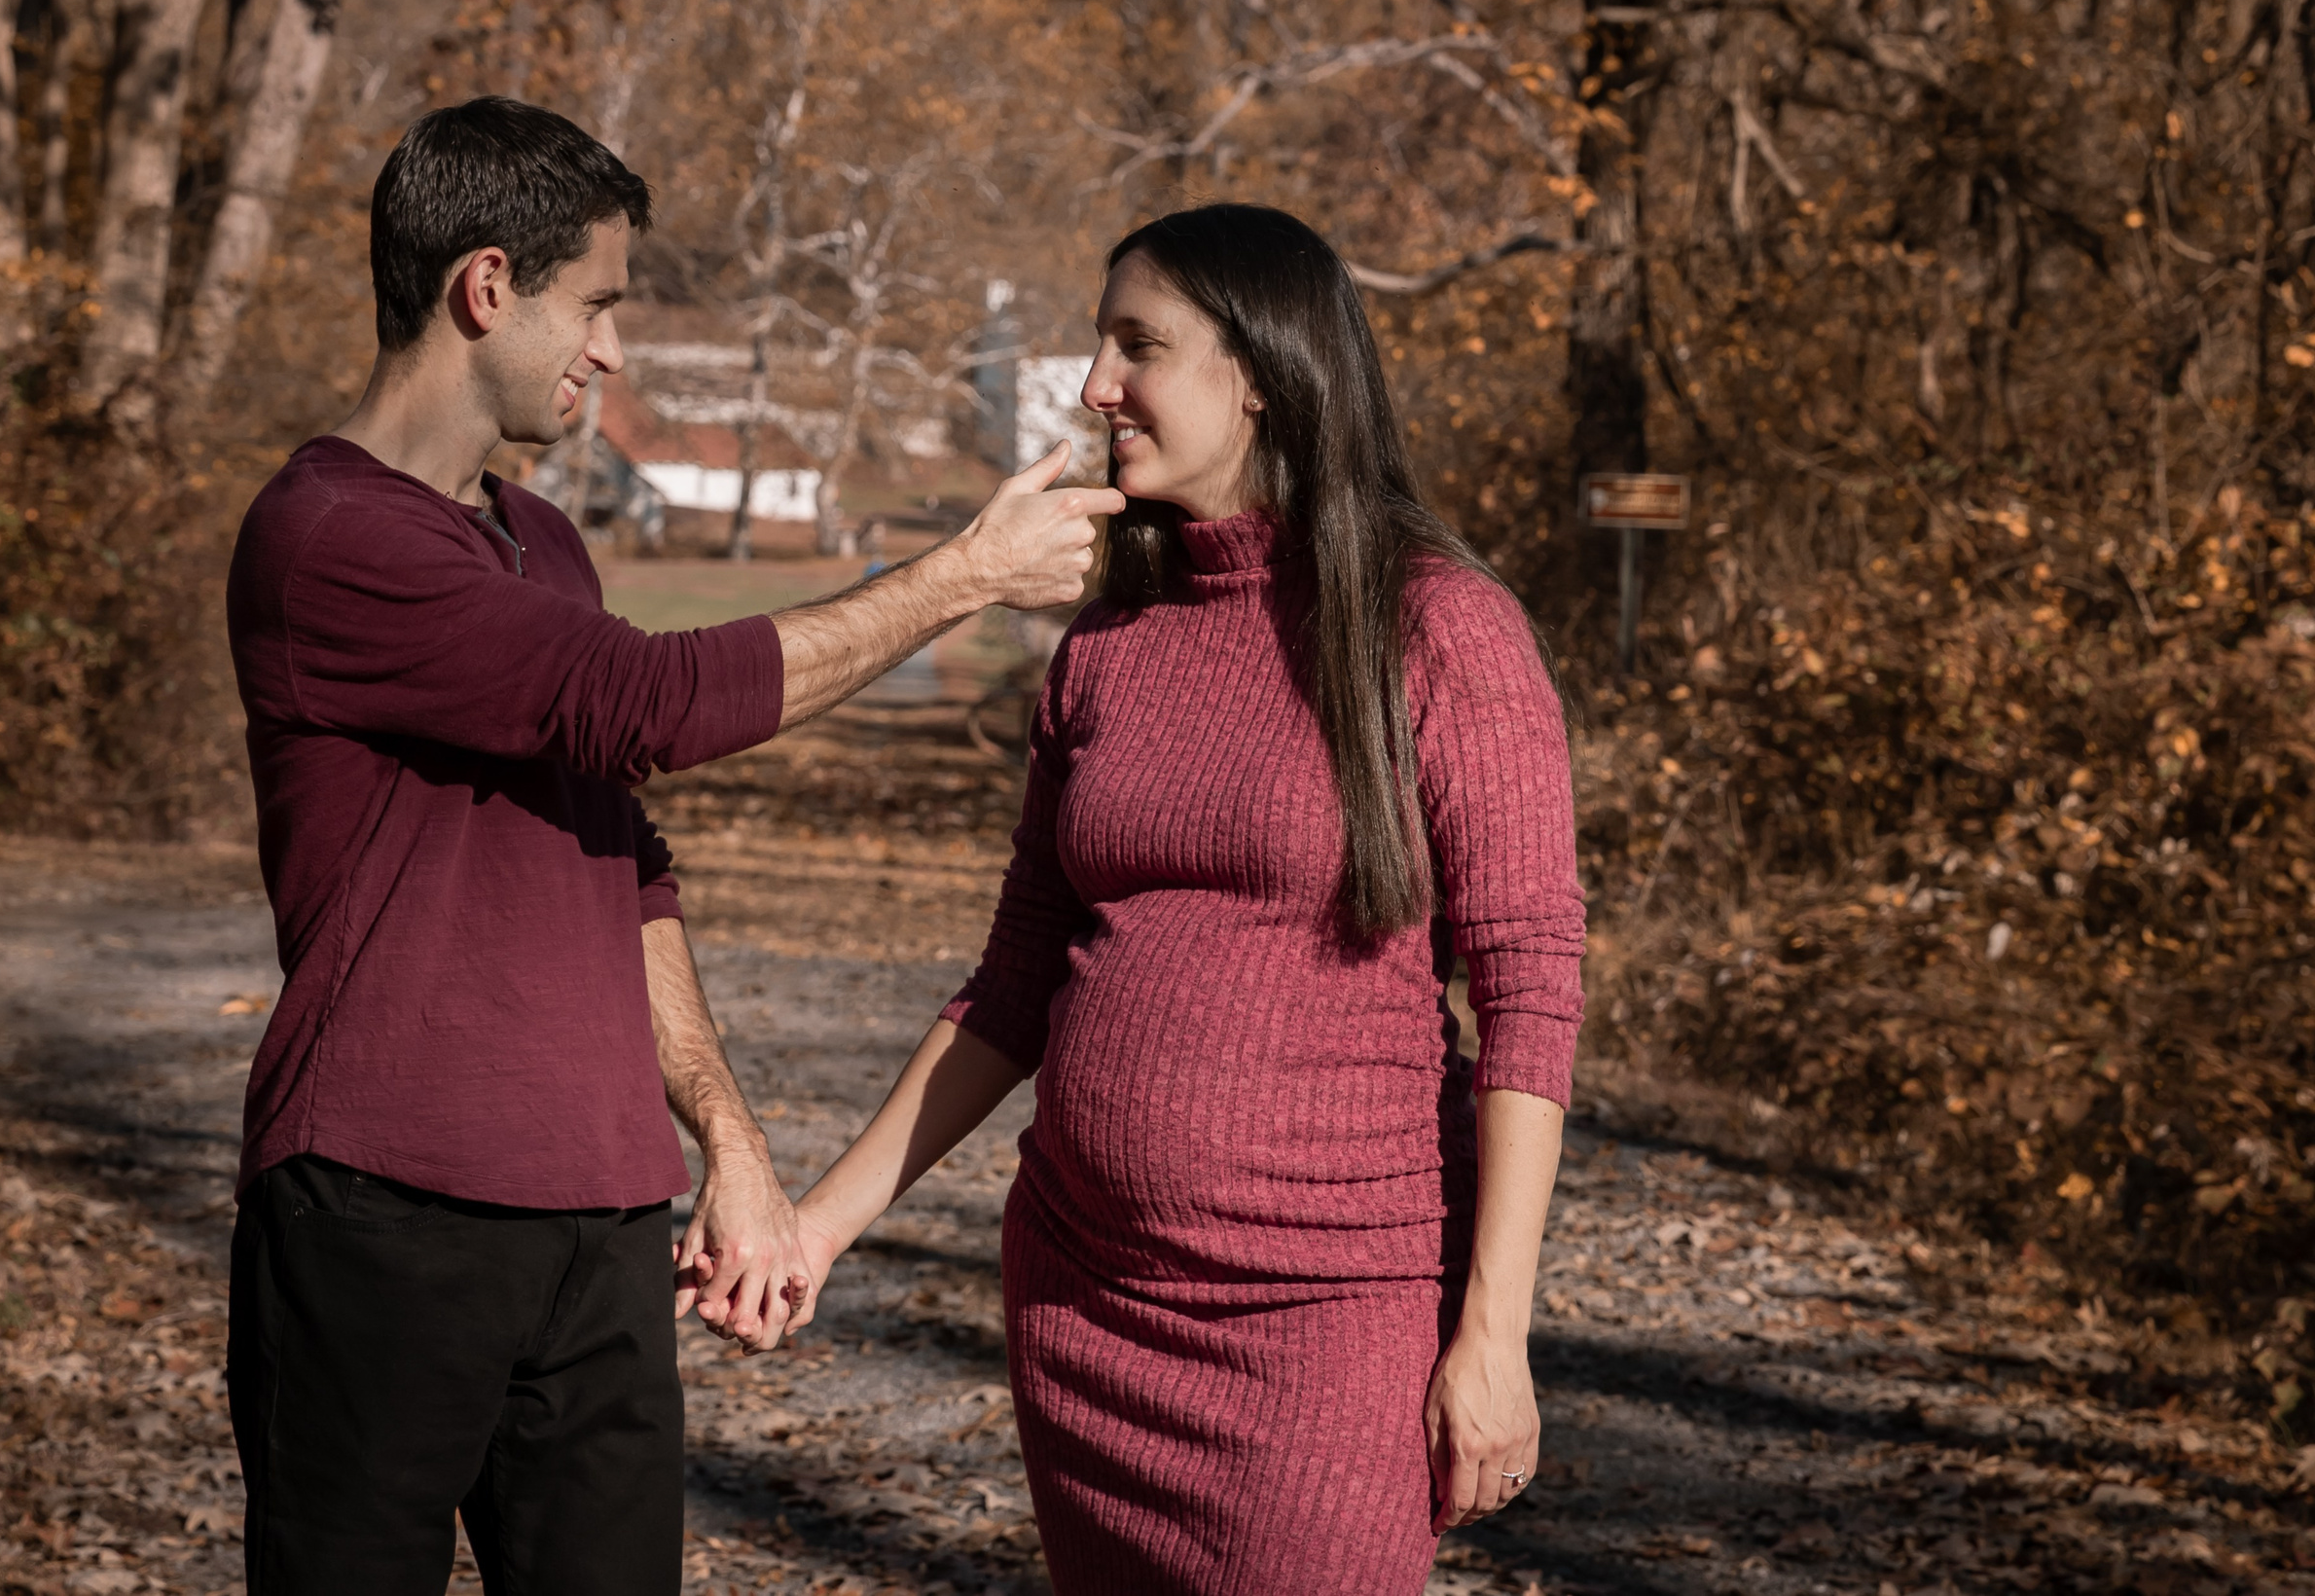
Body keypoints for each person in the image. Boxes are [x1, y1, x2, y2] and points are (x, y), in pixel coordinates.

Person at [219, 95, 1121, 1595]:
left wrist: (731, 1139)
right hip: (384, 1214)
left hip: (602, 1218)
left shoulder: (546, 545)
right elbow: (645, 704)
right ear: (487, 288)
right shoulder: (327, 537)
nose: (613, 351)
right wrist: (963, 578)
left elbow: (619, 861)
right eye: (599, 306)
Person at [786, 203, 1585, 1594]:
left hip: (1325, 1323)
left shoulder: (1438, 628)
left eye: (1136, 346)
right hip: (1082, 1308)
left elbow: (1528, 992)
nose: (1097, 385)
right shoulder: (1111, 641)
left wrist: (1493, 1333)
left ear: (1263, 369)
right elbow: (1017, 978)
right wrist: (818, 1226)